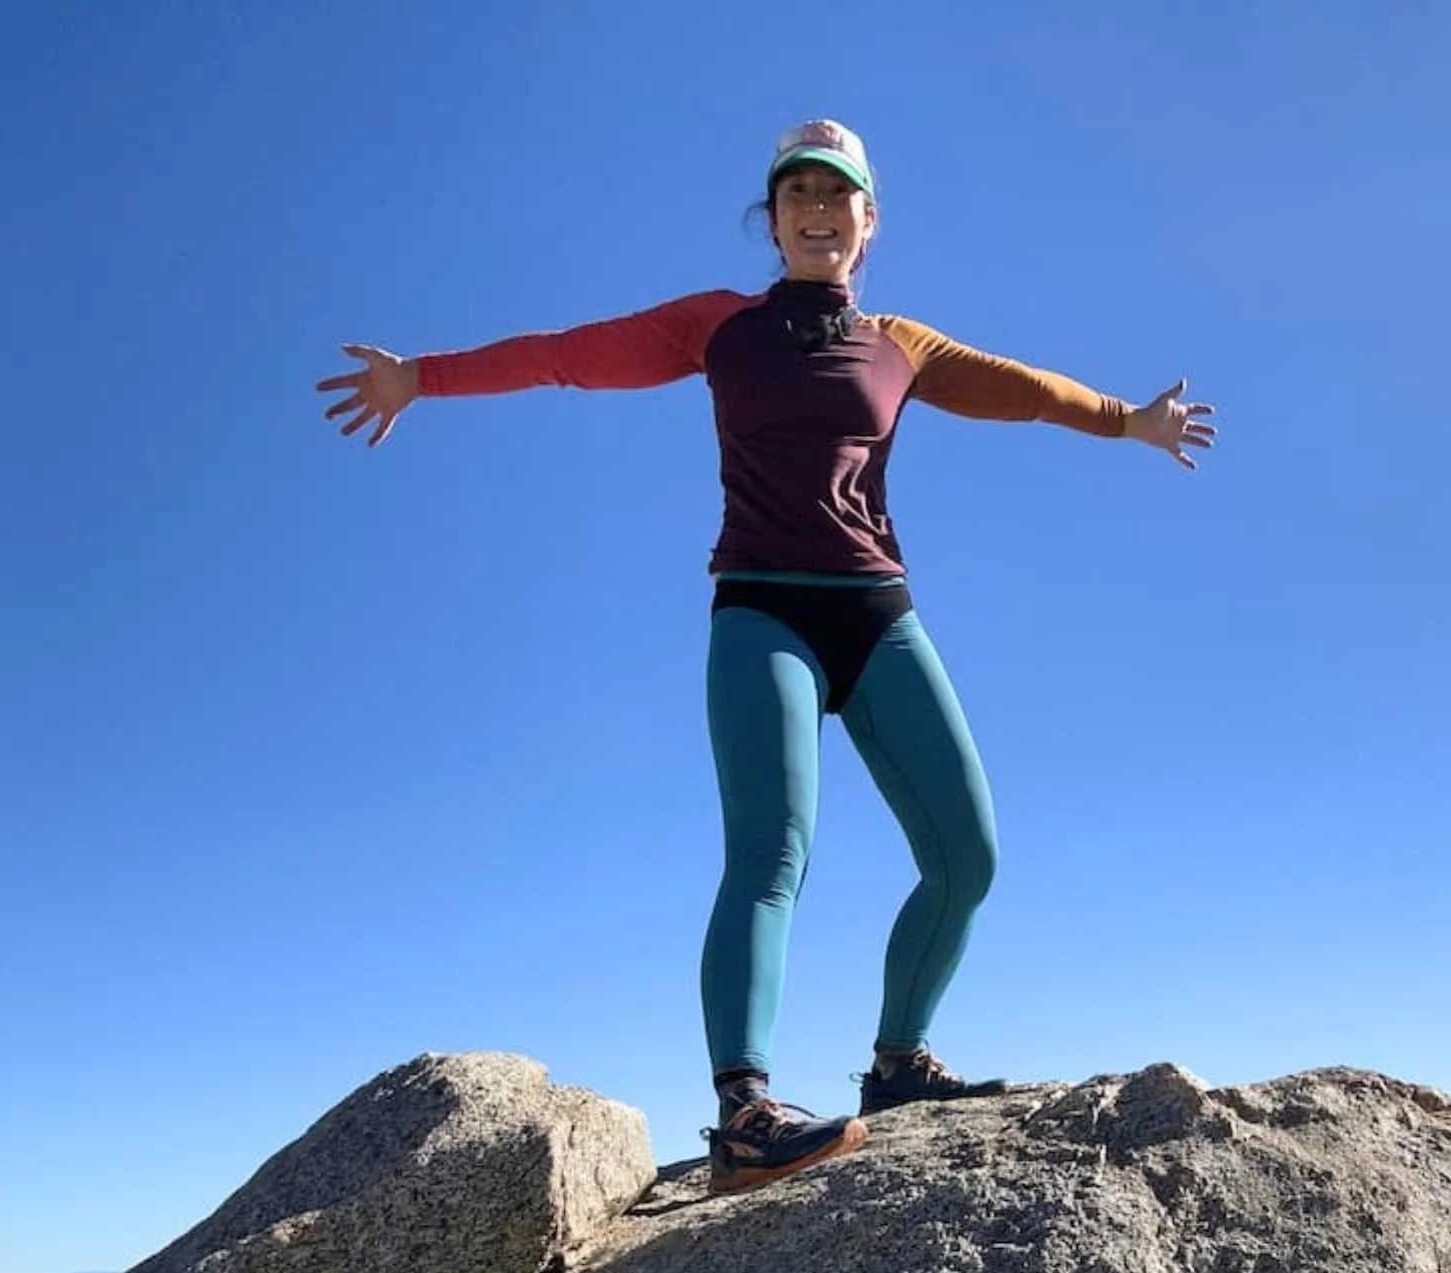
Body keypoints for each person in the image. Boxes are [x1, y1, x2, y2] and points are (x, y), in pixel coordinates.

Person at [317, 118, 1216, 1195]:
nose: (817, 209)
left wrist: (1131, 421)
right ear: (774, 217)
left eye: (838, 194)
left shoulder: (902, 344)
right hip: (762, 614)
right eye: (797, 193)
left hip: (879, 614)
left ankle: (897, 1066)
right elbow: (566, 355)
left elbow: (1020, 388)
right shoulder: (718, 326)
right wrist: (422, 377)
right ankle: (744, 1110)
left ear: (868, 221)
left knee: (967, 856)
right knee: (772, 851)